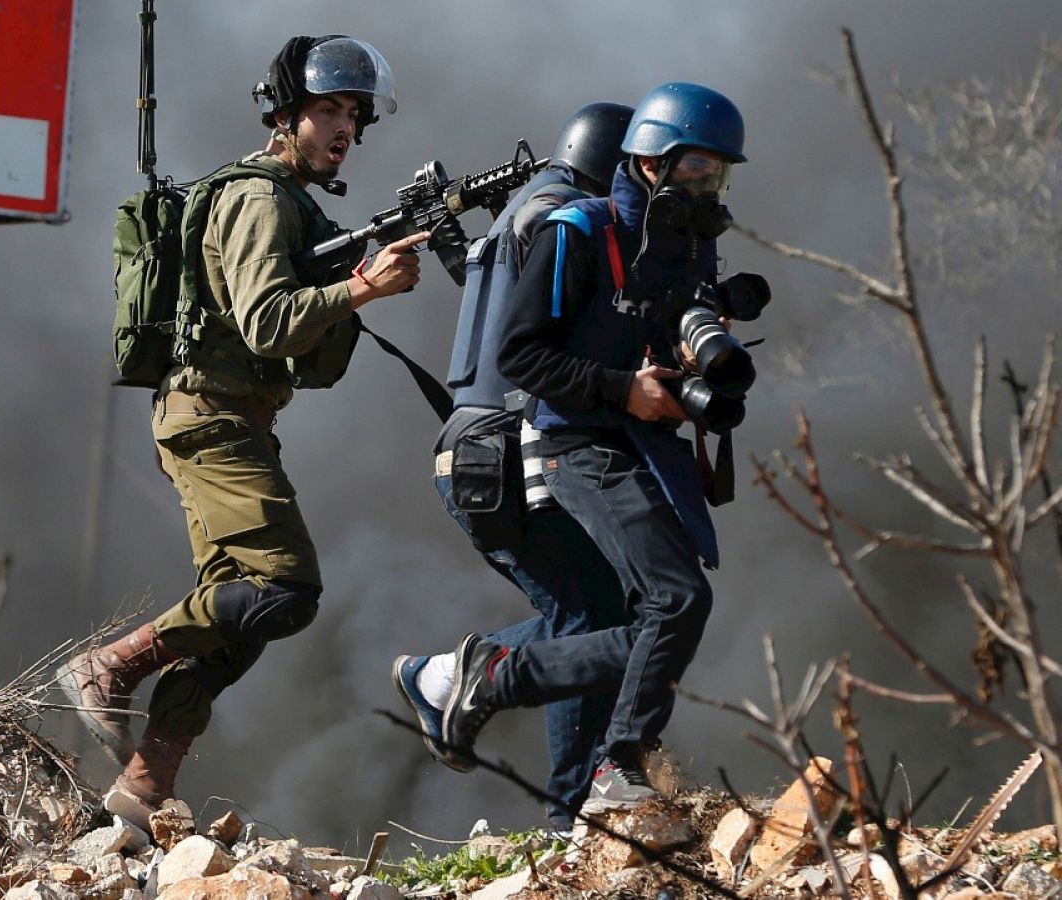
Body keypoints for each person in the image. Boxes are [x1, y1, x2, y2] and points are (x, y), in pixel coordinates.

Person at [58, 35, 429, 829]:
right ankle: (110, 665)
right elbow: (268, 324)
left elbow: (308, 358)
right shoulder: (259, 198)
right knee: (284, 590)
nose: (343, 129)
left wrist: (349, 280)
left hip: (232, 419)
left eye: (354, 117)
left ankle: (143, 787)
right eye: (327, 110)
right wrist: (361, 289)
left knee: (239, 612)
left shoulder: (296, 203)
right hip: (211, 417)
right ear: (285, 114)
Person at [439, 83, 757, 815]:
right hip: (574, 441)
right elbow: (521, 356)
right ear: (649, 161)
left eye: (720, 174)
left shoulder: (686, 250)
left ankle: (502, 688)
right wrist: (622, 389)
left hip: (636, 444)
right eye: (697, 169)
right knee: (672, 601)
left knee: (657, 615)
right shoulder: (576, 230)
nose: (708, 188)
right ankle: (612, 770)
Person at [390, 103, 634, 833]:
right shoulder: (559, 215)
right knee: (587, 616)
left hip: (478, 445)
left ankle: (446, 678)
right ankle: (574, 818)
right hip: (504, 447)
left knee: (597, 611)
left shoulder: (525, 216)